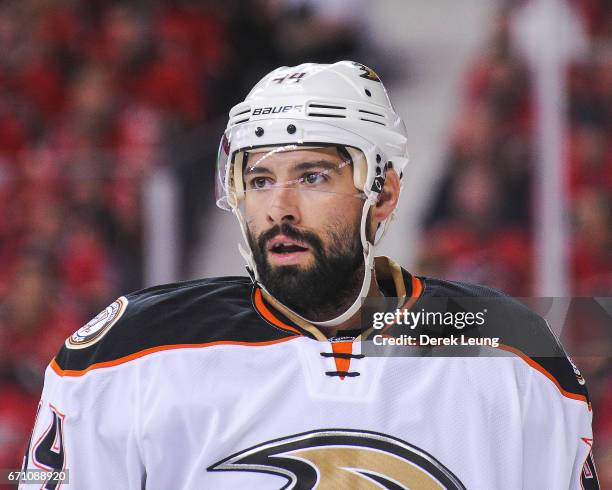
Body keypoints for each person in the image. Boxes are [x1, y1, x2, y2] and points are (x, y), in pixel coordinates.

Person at [19, 61, 598, 489]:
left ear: (384, 191)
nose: (281, 208)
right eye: (261, 180)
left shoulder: (506, 350)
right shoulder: (124, 357)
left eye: (314, 176)